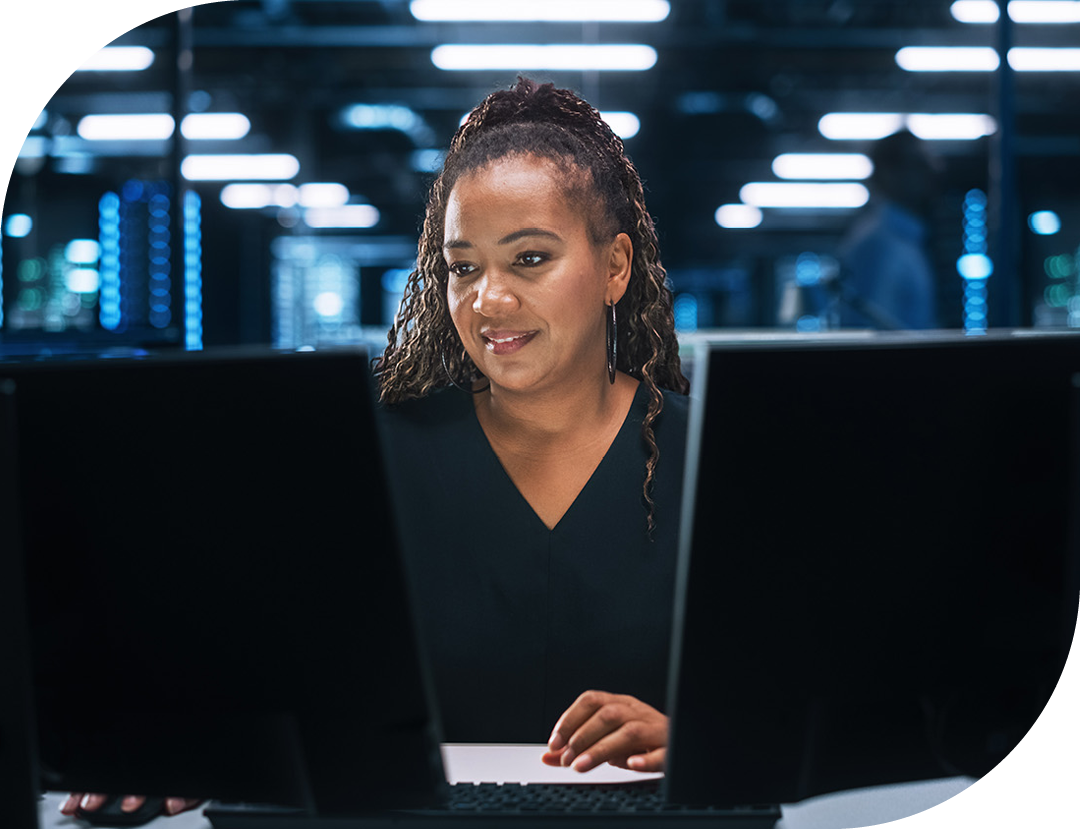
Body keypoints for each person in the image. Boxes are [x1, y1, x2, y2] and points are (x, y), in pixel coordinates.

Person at [63, 77, 689, 821]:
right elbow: (268, 672)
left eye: (529, 259)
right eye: (464, 266)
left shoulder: (707, 457)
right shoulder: (373, 456)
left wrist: (696, 740)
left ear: (615, 266)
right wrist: (205, 741)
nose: (488, 299)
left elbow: (779, 703)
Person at [834, 130, 941, 330]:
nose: (934, 170)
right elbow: (871, 336)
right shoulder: (877, 243)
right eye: (918, 164)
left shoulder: (902, 240)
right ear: (887, 172)